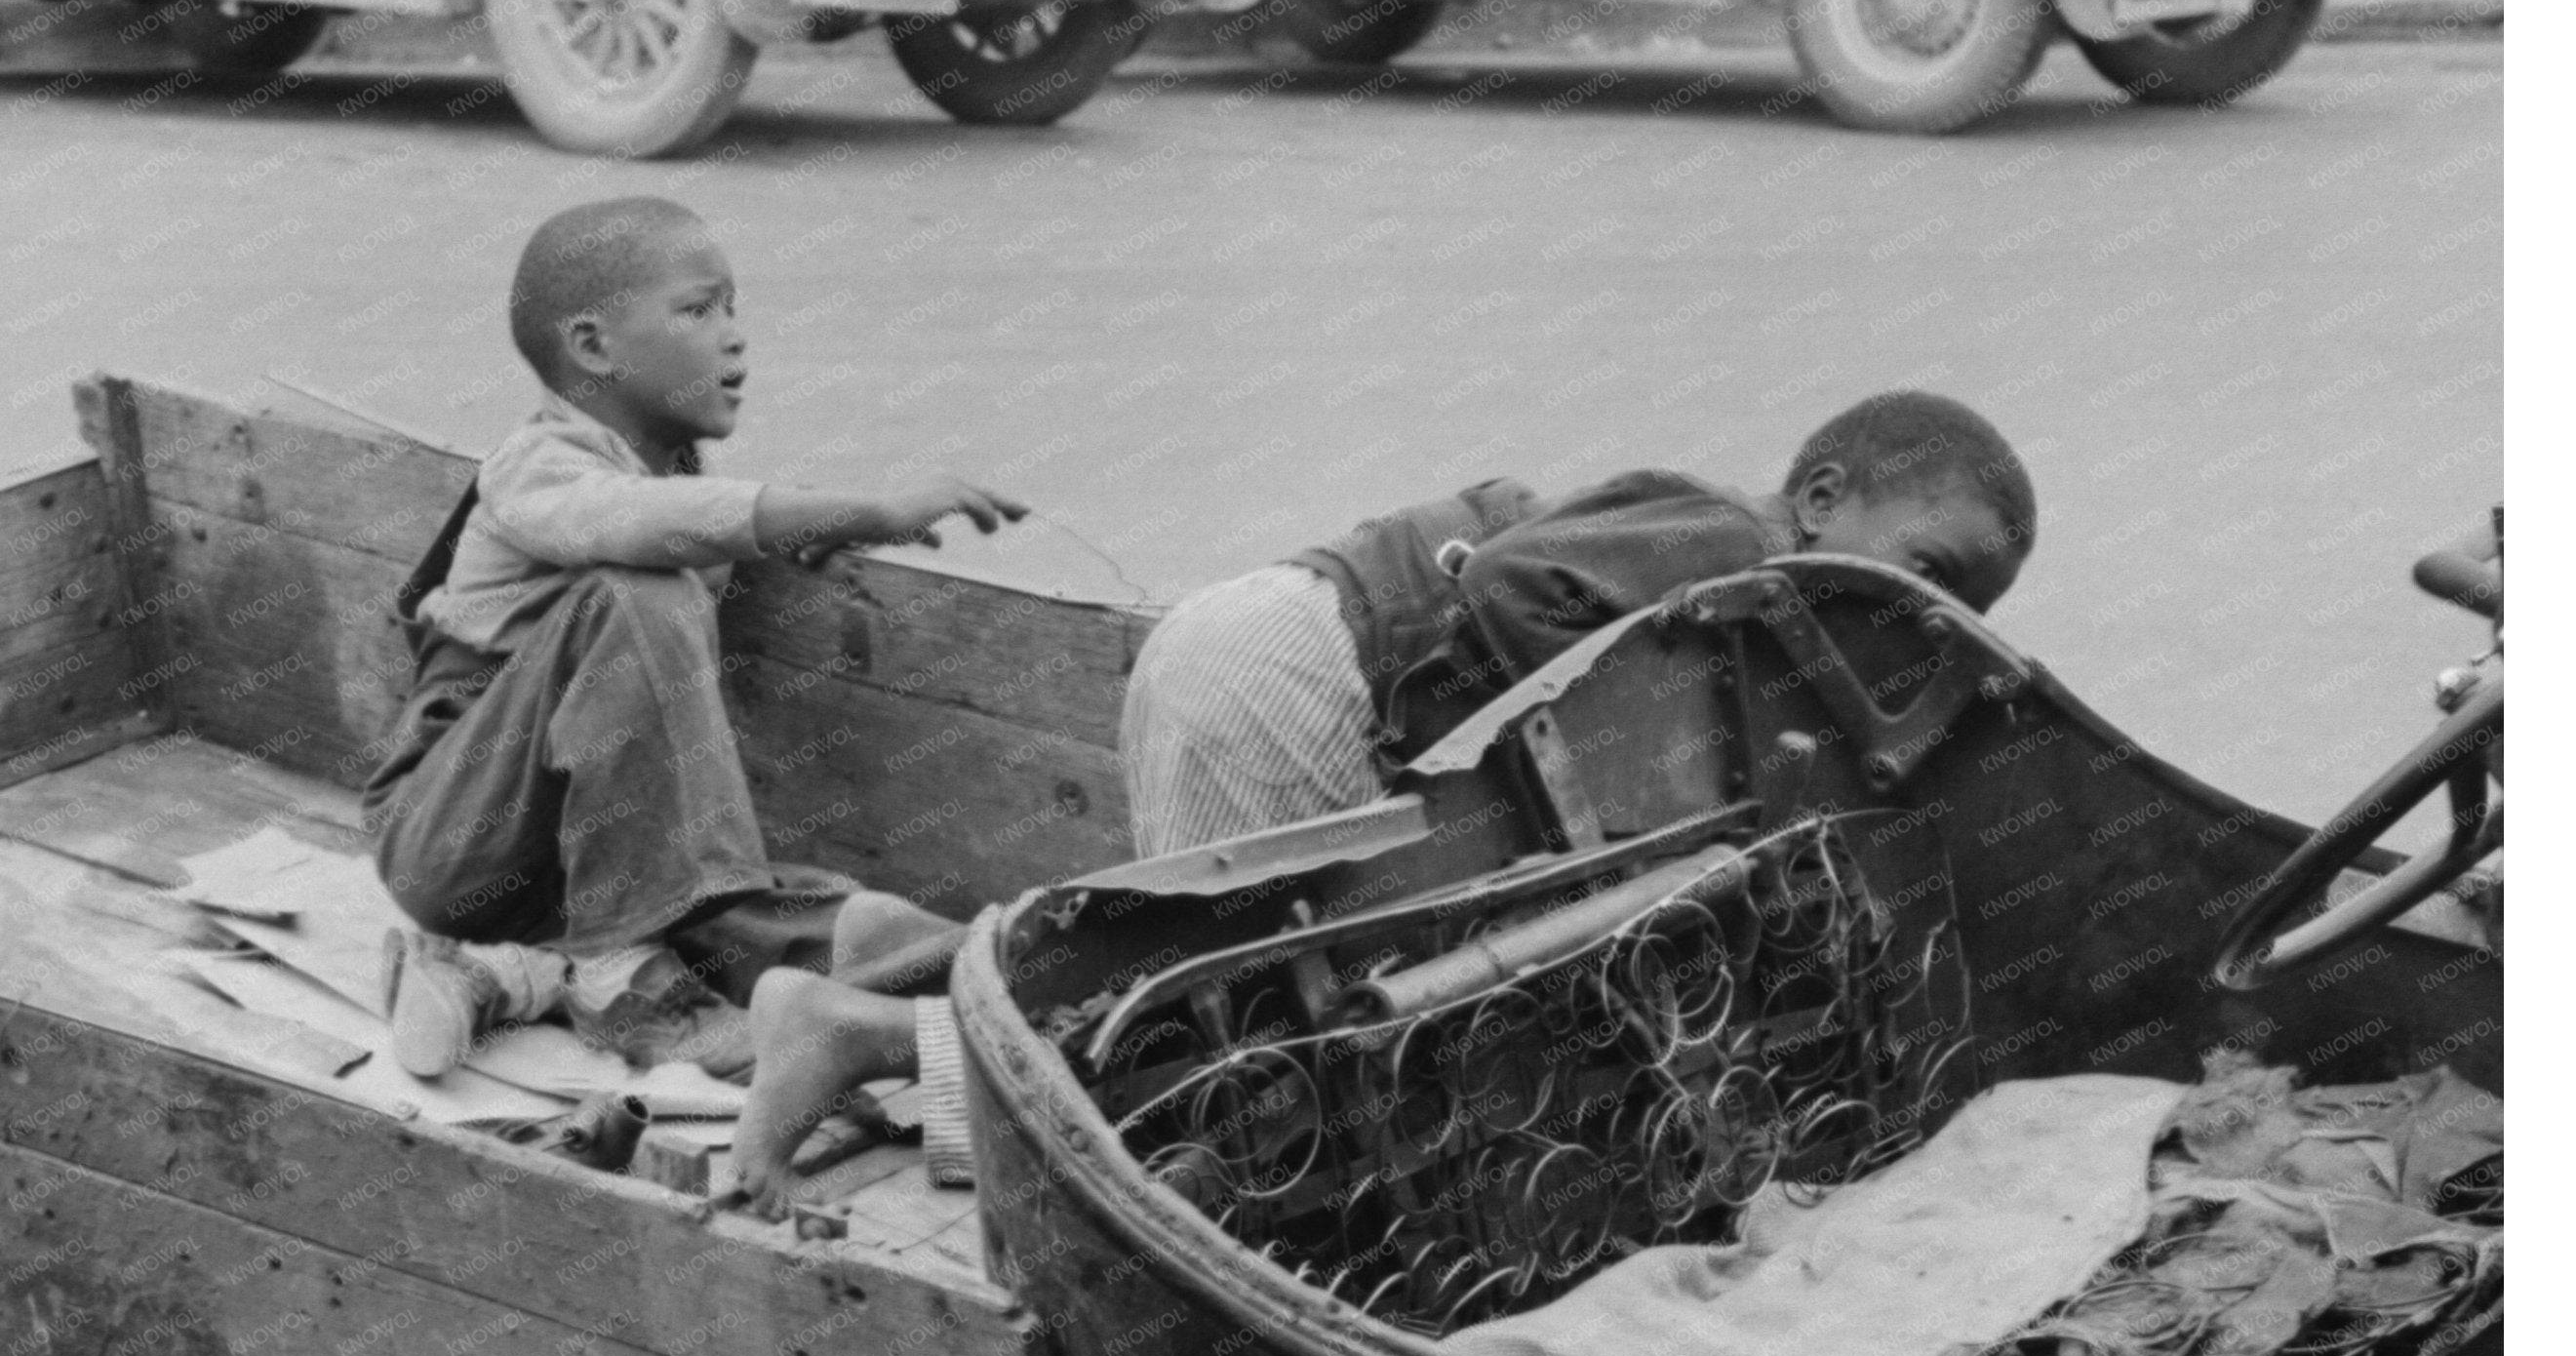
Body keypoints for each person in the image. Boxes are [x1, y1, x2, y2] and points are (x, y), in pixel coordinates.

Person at [725, 390, 2041, 1216]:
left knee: (1172, 954)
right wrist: (1465, 784)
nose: (1922, 622)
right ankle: (853, 1037)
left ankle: (889, 957)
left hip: (1267, 649)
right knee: (1232, 1043)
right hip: (1296, 684)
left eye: (1957, 614)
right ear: (1820, 502)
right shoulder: (1737, 553)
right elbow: (1521, 588)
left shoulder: (1738, 563)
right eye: (1925, 574)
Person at [370, 198, 1011, 1077]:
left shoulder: (670, 479)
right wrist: (857, 508)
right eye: (699, 310)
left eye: (734, 309)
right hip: (453, 831)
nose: (735, 338)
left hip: (580, 865)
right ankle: (614, 980)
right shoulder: (536, 466)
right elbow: (638, 527)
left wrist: (791, 542)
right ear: (594, 348)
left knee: (845, 925)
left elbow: (679, 517)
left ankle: (516, 970)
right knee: (644, 592)